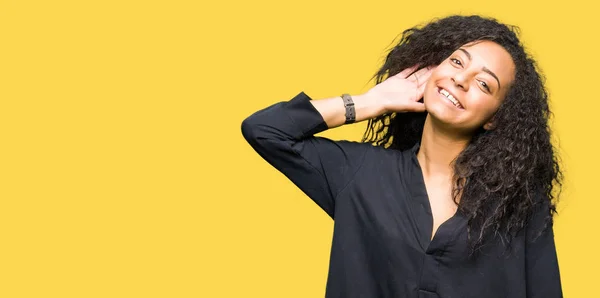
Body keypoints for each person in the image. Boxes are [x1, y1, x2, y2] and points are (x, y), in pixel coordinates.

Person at [241, 14, 562, 298]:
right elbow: (266, 131)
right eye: (457, 62)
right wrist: (369, 102)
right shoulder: (361, 172)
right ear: (431, 69)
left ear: (494, 118)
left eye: (483, 83)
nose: (461, 79)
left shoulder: (518, 205)